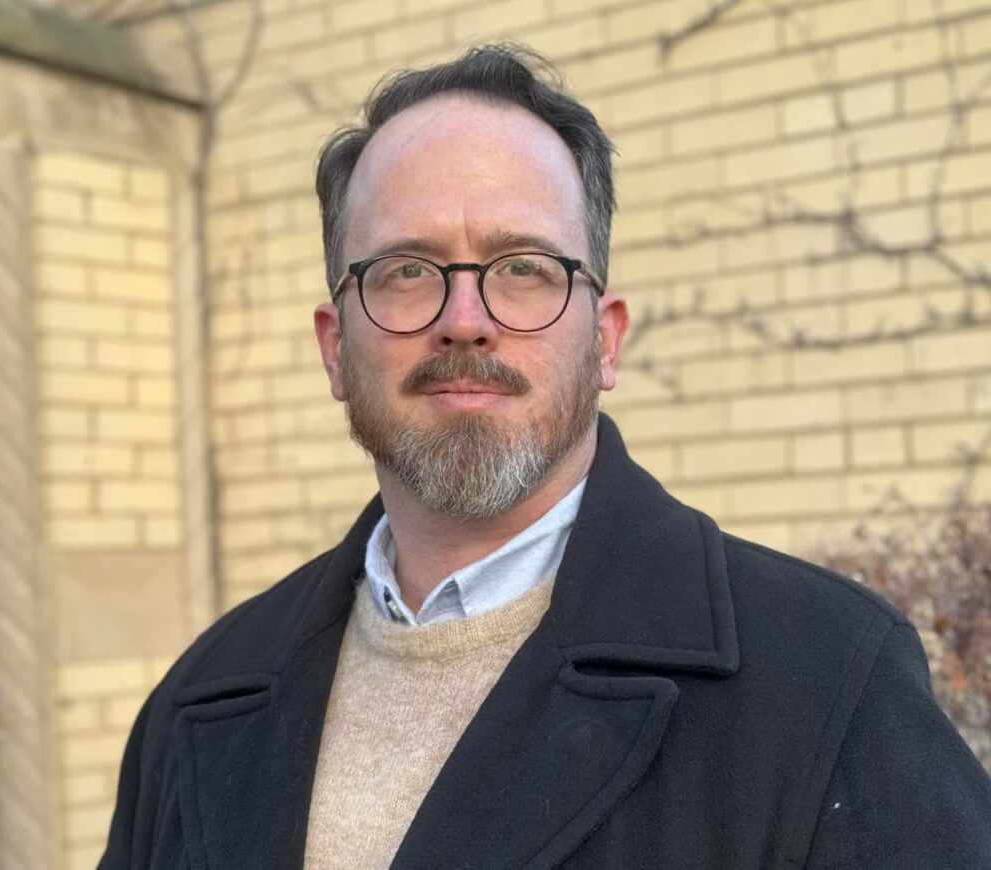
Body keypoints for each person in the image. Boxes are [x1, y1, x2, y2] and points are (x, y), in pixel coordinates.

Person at [100, 44, 991, 869]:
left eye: (522, 266)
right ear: (336, 348)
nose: (464, 317)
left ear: (604, 342)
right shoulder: (197, 703)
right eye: (405, 268)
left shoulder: (827, 680)